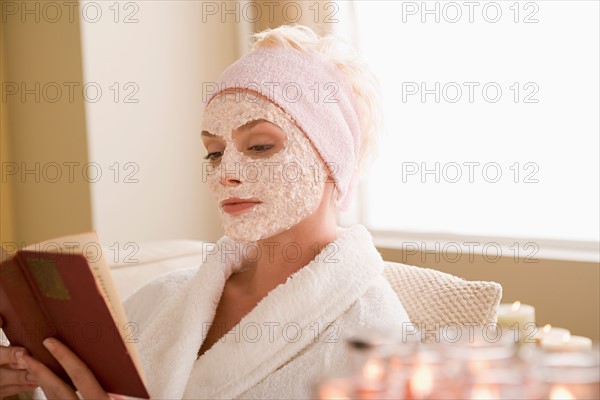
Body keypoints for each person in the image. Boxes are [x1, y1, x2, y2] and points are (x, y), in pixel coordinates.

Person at [0, 24, 411, 399]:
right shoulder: (163, 298)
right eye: (214, 153)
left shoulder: (376, 339)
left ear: (331, 158)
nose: (226, 174)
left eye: (260, 146)